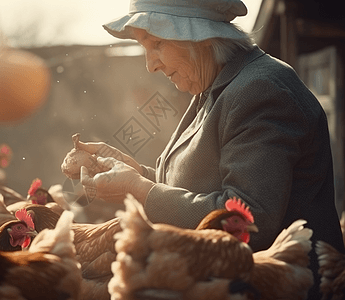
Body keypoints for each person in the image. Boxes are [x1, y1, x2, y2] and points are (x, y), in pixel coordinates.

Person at [72, 0, 345, 298]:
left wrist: (140, 189)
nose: (150, 65)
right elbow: (197, 185)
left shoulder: (260, 89)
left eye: (157, 44)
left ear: (199, 39)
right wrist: (133, 172)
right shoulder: (216, 86)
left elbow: (250, 219)